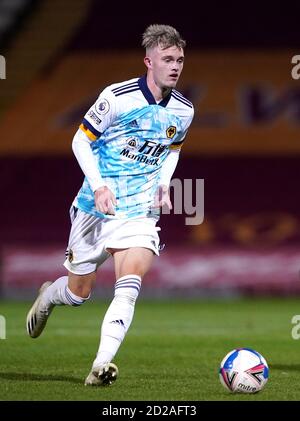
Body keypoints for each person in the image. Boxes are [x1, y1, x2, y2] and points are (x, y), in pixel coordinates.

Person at [26, 24, 194, 386]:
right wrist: (100, 186)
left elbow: (172, 151)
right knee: (78, 293)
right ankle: (49, 296)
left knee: (129, 284)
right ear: (148, 61)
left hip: (139, 213)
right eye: (167, 59)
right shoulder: (117, 97)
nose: (175, 66)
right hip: (94, 207)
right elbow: (79, 142)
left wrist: (164, 185)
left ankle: (100, 366)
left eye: (179, 59)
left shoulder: (183, 110)